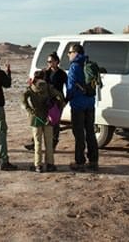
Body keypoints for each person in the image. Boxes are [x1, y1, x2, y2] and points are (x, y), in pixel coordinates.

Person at [22, 70, 64, 172]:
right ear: (44, 77)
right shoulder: (49, 87)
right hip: (48, 118)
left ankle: (38, 165)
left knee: (37, 142)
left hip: (36, 118)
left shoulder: (31, 88)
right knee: (49, 142)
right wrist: (57, 106)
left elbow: (23, 99)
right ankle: (50, 164)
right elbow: (60, 96)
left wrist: (29, 110)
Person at [24, 51, 67, 151]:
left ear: (56, 62)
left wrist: (65, 100)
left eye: (51, 61)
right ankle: (34, 142)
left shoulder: (62, 74)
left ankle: (53, 144)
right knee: (40, 121)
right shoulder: (45, 72)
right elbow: (36, 83)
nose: (49, 63)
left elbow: (68, 86)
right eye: (48, 61)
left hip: (57, 101)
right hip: (45, 101)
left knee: (55, 123)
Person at [66, 43, 99, 172]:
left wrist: (67, 99)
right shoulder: (88, 64)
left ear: (75, 53)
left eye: (69, 52)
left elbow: (71, 86)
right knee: (90, 132)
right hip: (90, 103)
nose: (68, 55)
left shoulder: (74, 66)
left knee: (79, 134)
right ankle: (93, 161)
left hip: (78, 105)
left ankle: (79, 162)